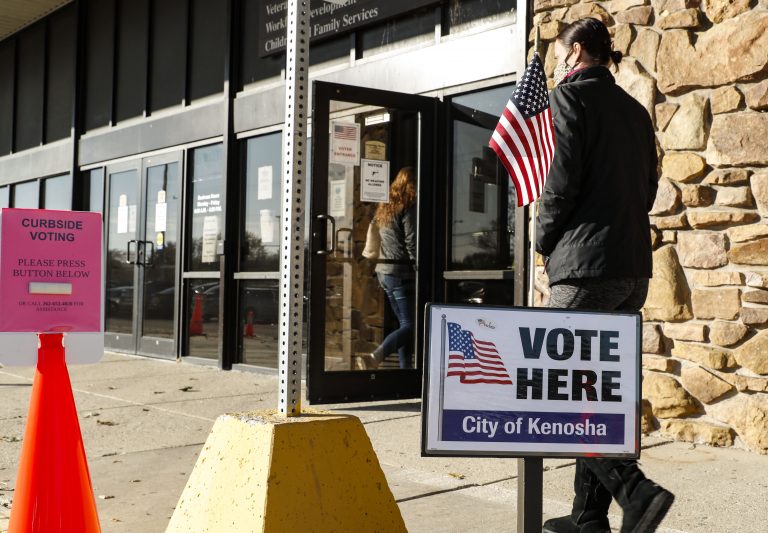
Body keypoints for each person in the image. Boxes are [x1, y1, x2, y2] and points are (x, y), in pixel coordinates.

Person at [537, 18, 674, 533]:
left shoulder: (570, 99)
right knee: (598, 395)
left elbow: (562, 178)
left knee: (561, 391)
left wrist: (543, 237)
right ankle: (588, 516)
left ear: (575, 52)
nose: (557, 63)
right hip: (630, 270)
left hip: (584, 269)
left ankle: (636, 493)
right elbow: (648, 188)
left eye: (559, 54)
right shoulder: (637, 113)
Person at [361, 167, 417, 370]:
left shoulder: (385, 207)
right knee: (411, 326)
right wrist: (417, 265)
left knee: (404, 324)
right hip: (400, 272)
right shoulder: (407, 205)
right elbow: (411, 240)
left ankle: (405, 371)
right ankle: (374, 358)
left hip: (383, 272)